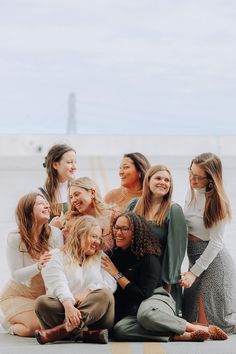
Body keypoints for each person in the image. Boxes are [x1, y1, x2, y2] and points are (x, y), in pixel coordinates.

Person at [102, 212, 227, 342]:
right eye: (116, 227)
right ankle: (181, 336)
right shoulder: (112, 256)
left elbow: (142, 294)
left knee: (146, 315)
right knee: (121, 329)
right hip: (134, 309)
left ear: (135, 232)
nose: (118, 232)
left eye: (124, 229)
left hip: (155, 298)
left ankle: (196, 329)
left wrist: (116, 274)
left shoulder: (148, 257)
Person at [34, 215, 117, 345]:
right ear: (80, 234)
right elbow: (58, 283)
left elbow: (111, 283)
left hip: (96, 317)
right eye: (94, 236)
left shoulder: (101, 257)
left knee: (105, 295)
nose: (98, 242)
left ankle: (63, 330)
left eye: (100, 238)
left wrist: (87, 293)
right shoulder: (55, 256)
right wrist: (68, 305)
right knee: (42, 302)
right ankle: (85, 335)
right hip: (65, 309)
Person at [180, 152, 236, 334]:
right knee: (189, 317)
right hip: (194, 259)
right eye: (191, 172)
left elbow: (216, 244)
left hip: (213, 262)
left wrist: (194, 273)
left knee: (206, 325)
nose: (192, 179)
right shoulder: (191, 192)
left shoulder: (218, 202)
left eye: (198, 177)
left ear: (211, 179)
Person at [0, 192, 64, 337]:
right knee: (33, 329)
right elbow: (16, 275)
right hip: (17, 294)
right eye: (41, 203)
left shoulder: (55, 234)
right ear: (29, 211)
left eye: (46, 203)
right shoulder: (15, 237)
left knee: (53, 324)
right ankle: (9, 325)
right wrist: (38, 266)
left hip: (42, 297)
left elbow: (60, 268)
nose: (46, 206)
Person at [126, 164, 187, 312]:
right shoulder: (133, 205)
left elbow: (176, 253)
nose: (163, 182)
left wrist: (168, 285)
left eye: (167, 180)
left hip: (160, 279)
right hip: (134, 275)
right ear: (148, 181)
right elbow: (123, 238)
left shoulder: (174, 210)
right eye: (158, 178)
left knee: (152, 317)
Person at [66, 177, 119, 250]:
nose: (73, 200)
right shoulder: (73, 223)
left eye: (77, 194)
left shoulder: (114, 217)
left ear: (92, 193)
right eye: (71, 197)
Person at [39, 143, 77, 229]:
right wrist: (51, 227)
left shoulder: (78, 190)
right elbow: (35, 231)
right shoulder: (41, 194)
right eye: (70, 162)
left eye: (75, 162)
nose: (74, 167)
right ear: (55, 165)